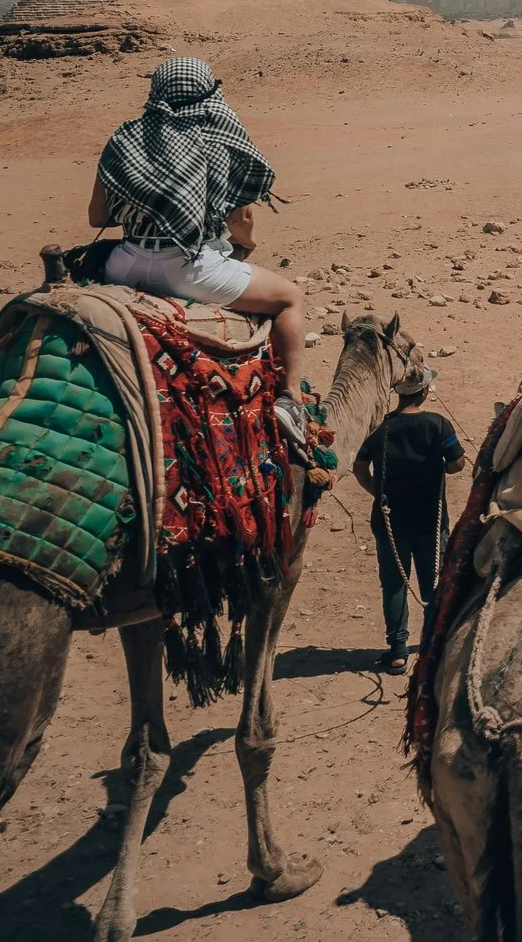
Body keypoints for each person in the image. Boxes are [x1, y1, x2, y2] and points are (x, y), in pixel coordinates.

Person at [88, 57, 308, 395]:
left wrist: (151, 208)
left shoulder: (125, 138)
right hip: (191, 270)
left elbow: (97, 218)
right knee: (290, 298)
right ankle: (291, 398)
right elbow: (240, 221)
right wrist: (246, 242)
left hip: (124, 264)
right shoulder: (219, 140)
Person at [352, 366, 466, 673]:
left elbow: (359, 467)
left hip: (390, 522)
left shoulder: (381, 429)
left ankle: (398, 651)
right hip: (430, 520)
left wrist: (378, 492)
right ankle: (432, 646)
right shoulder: (438, 425)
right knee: (433, 585)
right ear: (425, 392)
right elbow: (457, 464)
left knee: (394, 585)